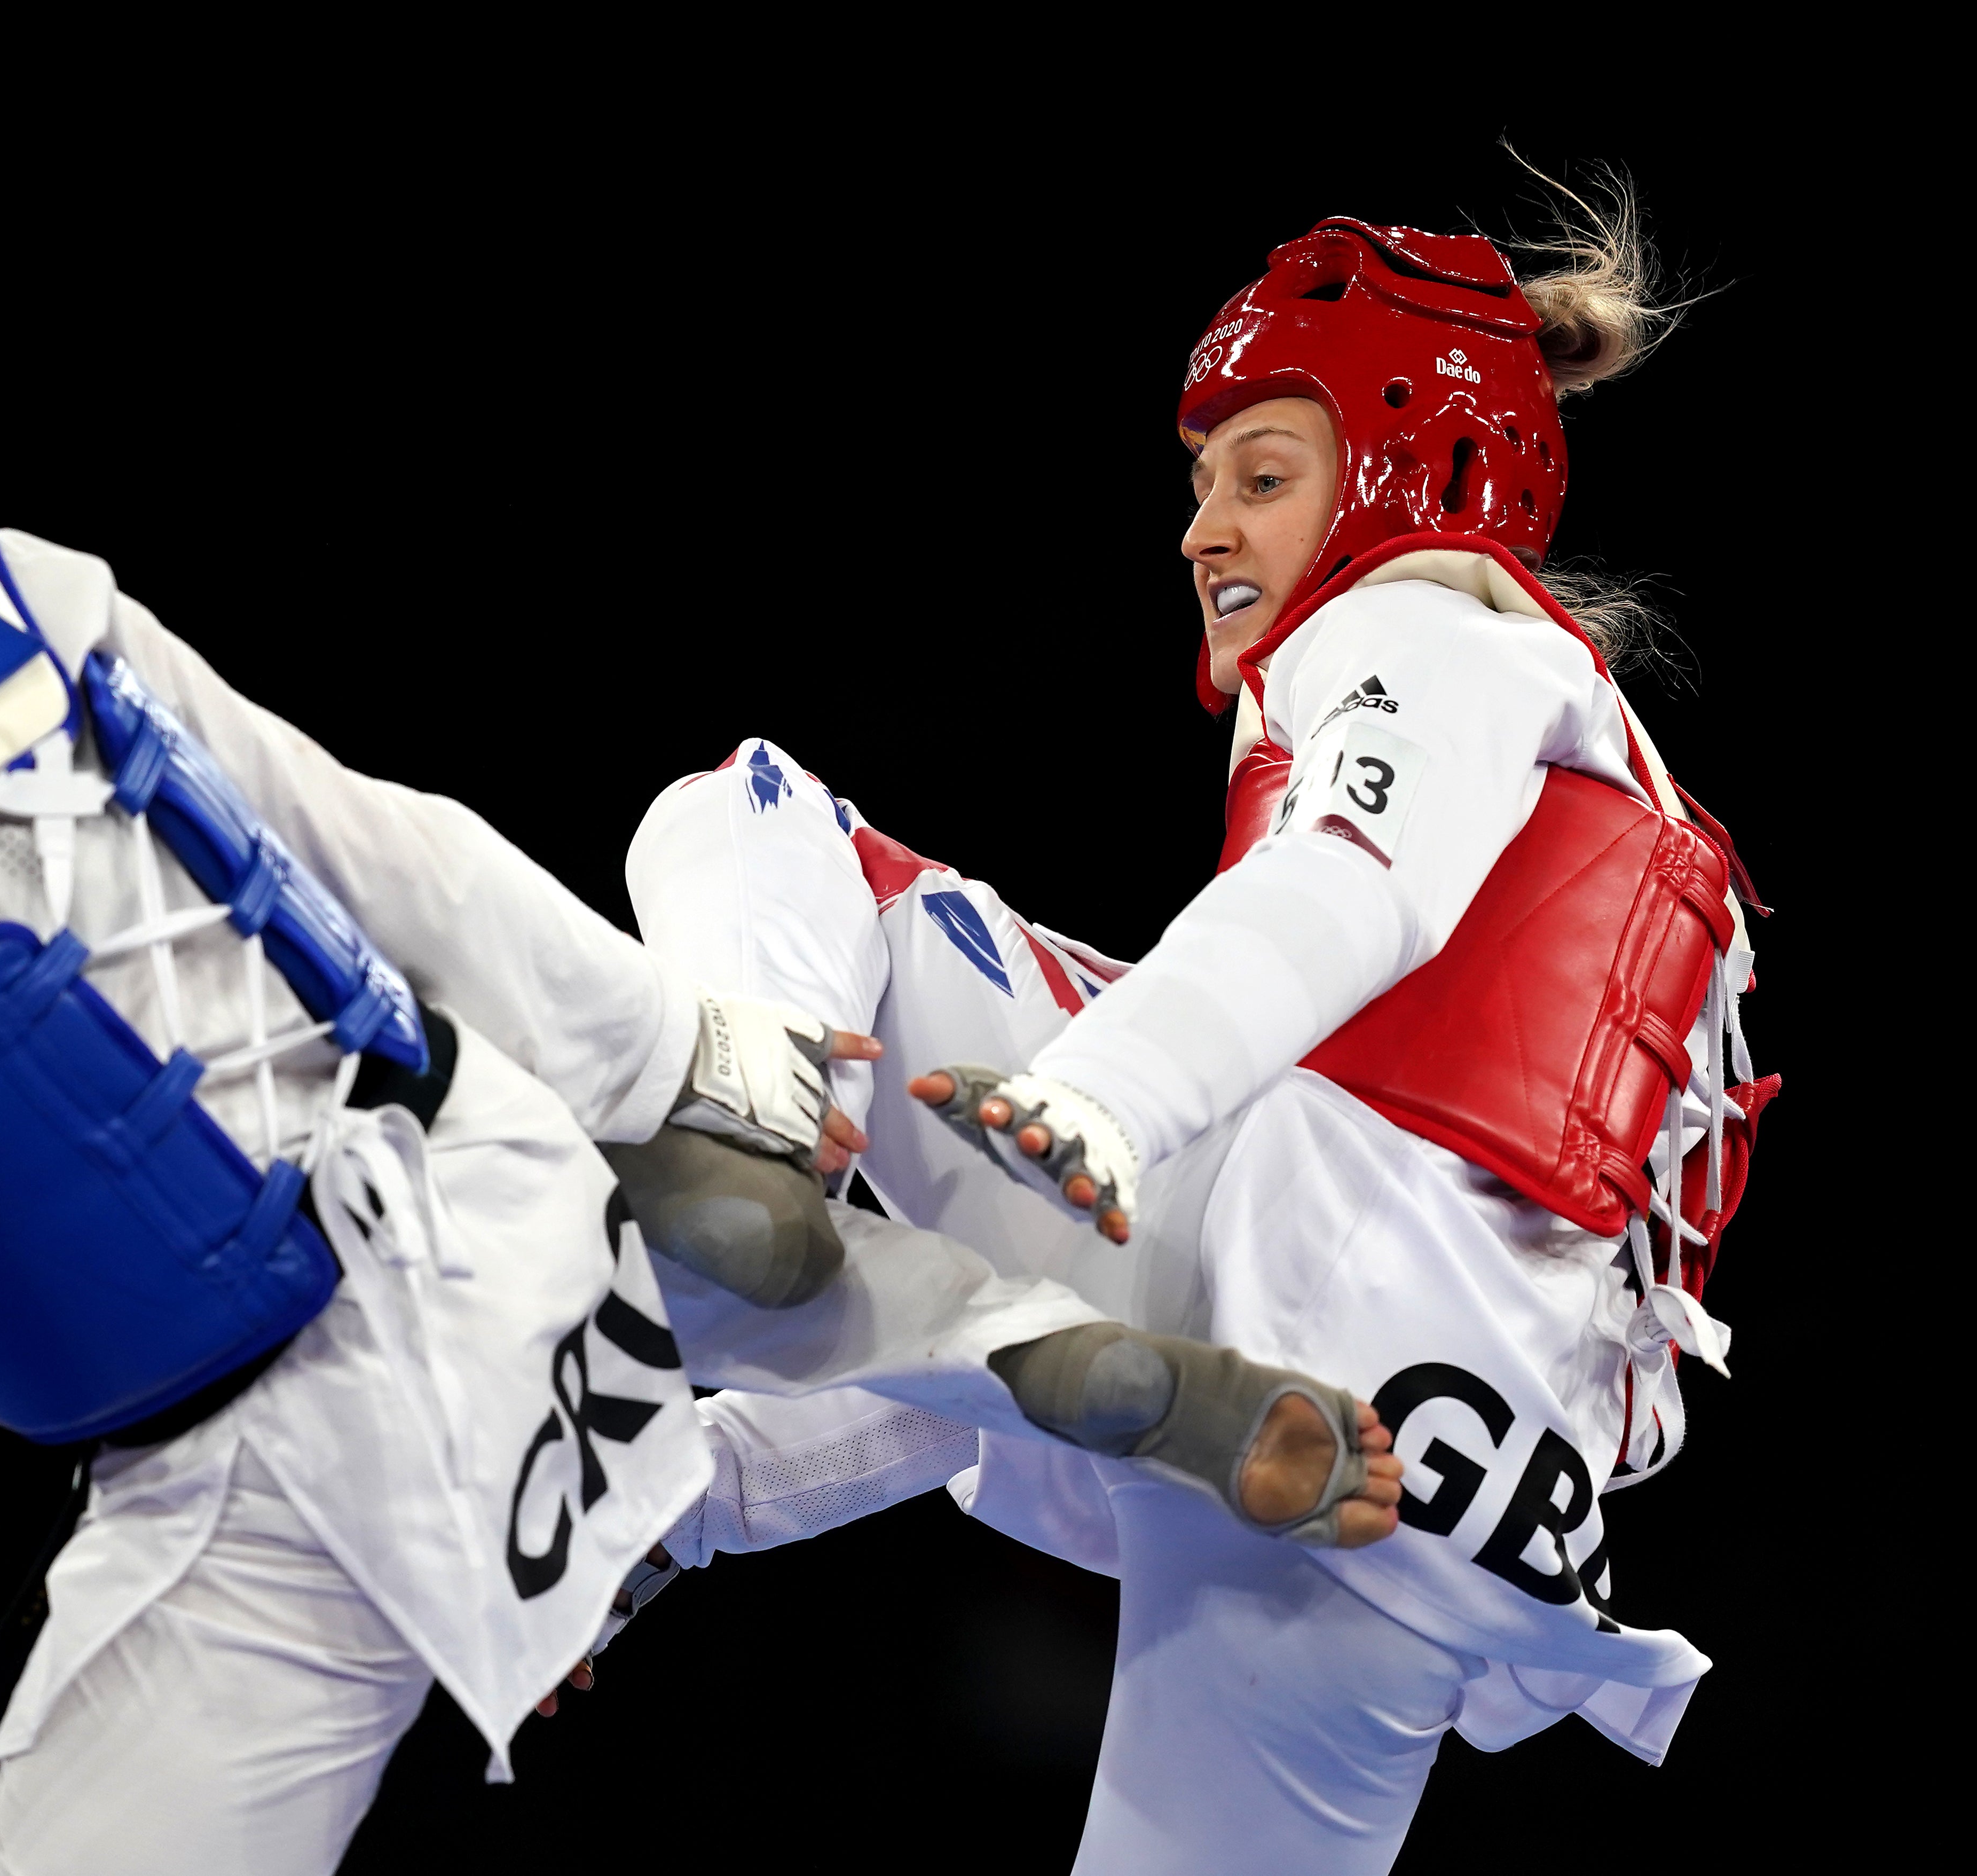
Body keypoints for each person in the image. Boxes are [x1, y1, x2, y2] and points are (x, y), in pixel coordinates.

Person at [0, 98, 1399, 1873]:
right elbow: (370, 839)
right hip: (500, 1182)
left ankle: (769, 1409)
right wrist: (689, 1047)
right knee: (706, 1274)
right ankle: (962, 1330)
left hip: (280, 1447)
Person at [623, 185, 1778, 1873]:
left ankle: (753, 1123)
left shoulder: (1434, 632)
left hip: (1325, 1326)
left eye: (1260, 476)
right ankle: (688, 1441)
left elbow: (1351, 882)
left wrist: (1101, 1094)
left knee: (758, 814)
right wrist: (711, 1486)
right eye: (1199, 482)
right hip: (1429, 1491)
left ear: (1397, 487)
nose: (1201, 530)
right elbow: (1045, 1326)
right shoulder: (1589, 765)